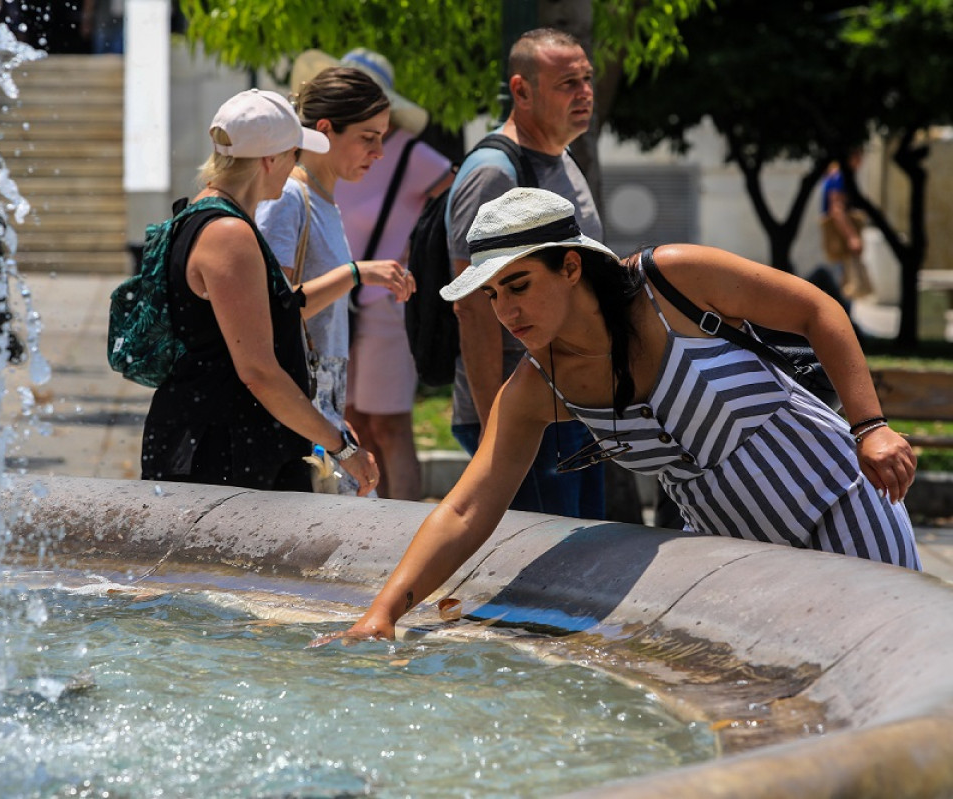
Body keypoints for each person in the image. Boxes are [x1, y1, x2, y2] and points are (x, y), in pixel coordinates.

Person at [336, 186, 920, 640]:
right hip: (738, 553)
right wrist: (382, 614)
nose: (505, 311)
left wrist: (870, 426)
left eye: (517, 285)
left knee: (894, 663)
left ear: (570, 267)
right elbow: (466, 508)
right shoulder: (538, 385)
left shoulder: (672, 280)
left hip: (841, 503)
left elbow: (817, 310)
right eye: (491, 295)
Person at [140, 89, 407, 495]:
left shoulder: (207, 217)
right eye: (292, 154)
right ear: (269, 160)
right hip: (222, 455)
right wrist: (342, 447)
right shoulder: (228, 234)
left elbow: (276, 321)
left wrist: (323, 422)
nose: (295, 166)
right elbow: (259, 371)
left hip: (223, 444)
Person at [446, 27, 605, 518]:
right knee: (541, 579)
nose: (584, 93)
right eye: (567, 83)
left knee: (585, 569)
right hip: (524, 415)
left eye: (587, 79)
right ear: (521, 91)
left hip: (573, 406)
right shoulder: (495, 171)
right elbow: (473, 307)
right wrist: (500, 422)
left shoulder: (564, 154)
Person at [297, 48, 454, 500]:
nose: (376, 150)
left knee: (388, 423)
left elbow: (454, 204)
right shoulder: (320, 171)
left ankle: (402, 529)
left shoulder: (407, 152)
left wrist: (415, 255)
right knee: (352, 421)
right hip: (341, 301)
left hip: (384, 303)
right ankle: (376, 523)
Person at [256, 66, 416, 494]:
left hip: (319, 413)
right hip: (292, 419)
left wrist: (331, 415)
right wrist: (357, 273)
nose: (379, 151)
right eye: (368, 136)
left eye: (383, 136)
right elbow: (273, 312)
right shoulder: (289, 198)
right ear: (325, 129)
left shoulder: (323, 200)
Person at [819, 148, 873, 301]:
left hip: (837, 241)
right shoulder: (840, 176)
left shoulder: (833, 175)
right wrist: (852, 237)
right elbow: (836, 209)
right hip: (840, 241)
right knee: (843, 291)